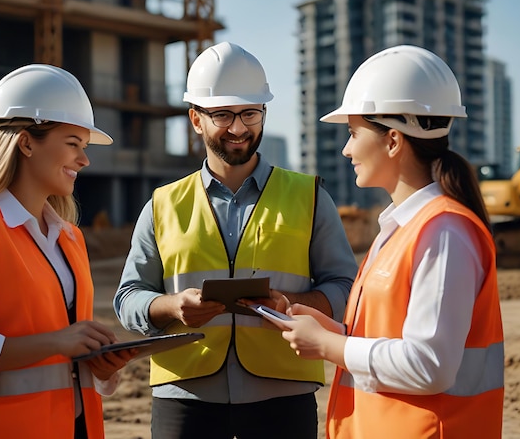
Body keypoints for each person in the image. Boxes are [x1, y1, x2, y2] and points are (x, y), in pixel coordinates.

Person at [114, 41, 357, 438]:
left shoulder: (310, 197)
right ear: (196, 119)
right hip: (184, 397)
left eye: (250, 113)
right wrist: (174, 306)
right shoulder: (162, 205)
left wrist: (288, 304)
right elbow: (127, 299)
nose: (240, 128)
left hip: (282, 395)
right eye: (223, 114)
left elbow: (346, 288)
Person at [281, 45, 504, 438]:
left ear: (393, 141)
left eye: (352, 133)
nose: (346, 148)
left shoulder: (443, 233)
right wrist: (334, 331)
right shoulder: (403, 228)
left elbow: (428, 365)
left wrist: (329, 346)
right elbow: (394, 340)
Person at [0, 64, 135, 439]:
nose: (84, 160)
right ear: (27, 143)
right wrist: (56, 342)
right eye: (73, 144)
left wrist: (99, 363)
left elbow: (62, 361)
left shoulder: (69, 239)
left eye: (84, 147)